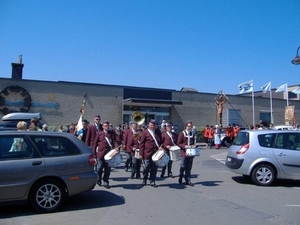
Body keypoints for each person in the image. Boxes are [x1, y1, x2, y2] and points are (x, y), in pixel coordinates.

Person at [93, 120, 119, 189]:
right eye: (105, 126)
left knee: (108, 169)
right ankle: (99, 179)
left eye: (107, 125)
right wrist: (94, 155)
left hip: (109, 154)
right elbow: (95, 144)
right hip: (100, 154)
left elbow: (115, 141)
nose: (106, 127)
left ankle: (106, 181)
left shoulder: (111, 133)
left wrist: (116, 147)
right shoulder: (99, 133)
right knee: (99, 168)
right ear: (102, 126)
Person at [139, 119, 161, 188]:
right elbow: (141, 144)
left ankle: (152, 181)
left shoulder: (158, 132)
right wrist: (141, 154)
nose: (152, 126)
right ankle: (144, 179)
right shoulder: (145, 132)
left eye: (153, 125)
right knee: (146, 167)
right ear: (149, 125)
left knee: (154, 168)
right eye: (151, 125)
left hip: (156, 153)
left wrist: (160, 147)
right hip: (147, 153)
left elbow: (161, 141)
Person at [177, 120, 196, 186]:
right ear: (186, 126)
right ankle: (181, 176)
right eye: (189, 126)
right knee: (183, 166)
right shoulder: (182, 133)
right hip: (183, 152)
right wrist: (185, 146)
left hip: (190, 153)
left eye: (191, 126)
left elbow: (193, 143)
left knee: (189, 167)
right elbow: (178, 143)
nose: (190, 127)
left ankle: (188, 180)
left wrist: (194, 145)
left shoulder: (192, 134)